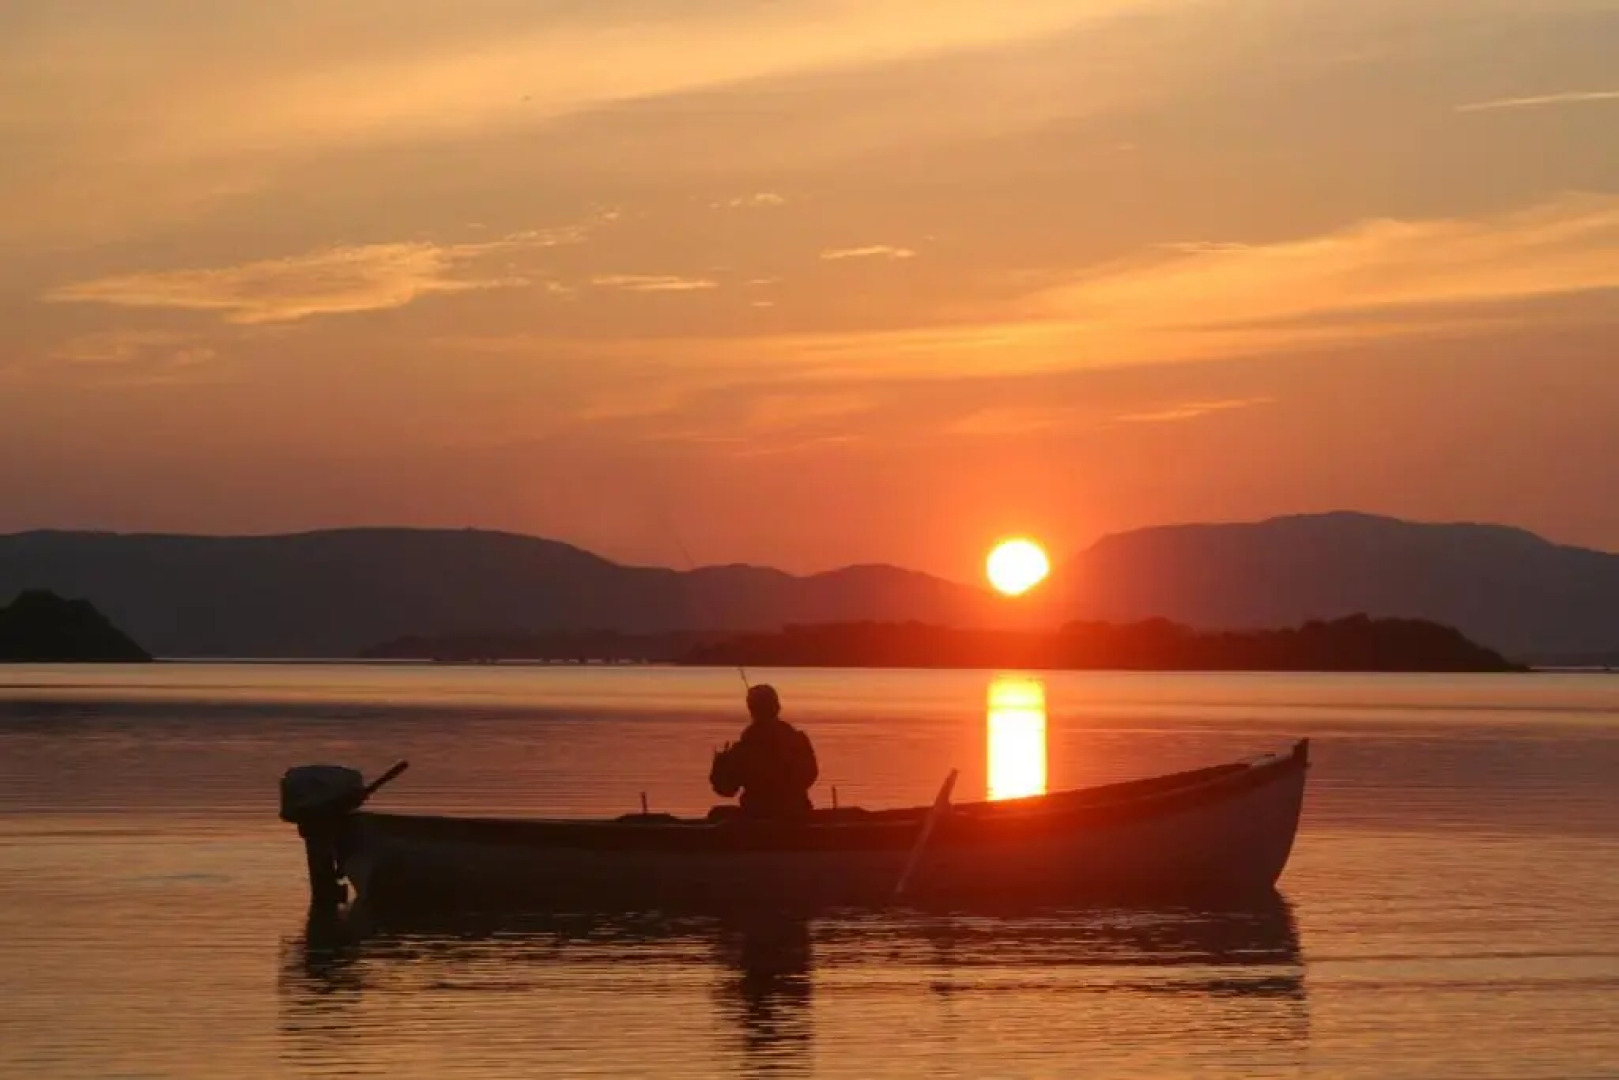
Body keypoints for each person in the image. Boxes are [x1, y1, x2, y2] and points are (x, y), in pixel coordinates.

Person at [709, 684, 819, 820]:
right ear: (777, 707)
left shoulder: (745, 748)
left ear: (752, 710)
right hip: (797, 814)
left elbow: (726, 789)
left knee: (717, 815)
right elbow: (810, 775)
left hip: (757, 817)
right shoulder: (798, 739)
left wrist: (720, 765)